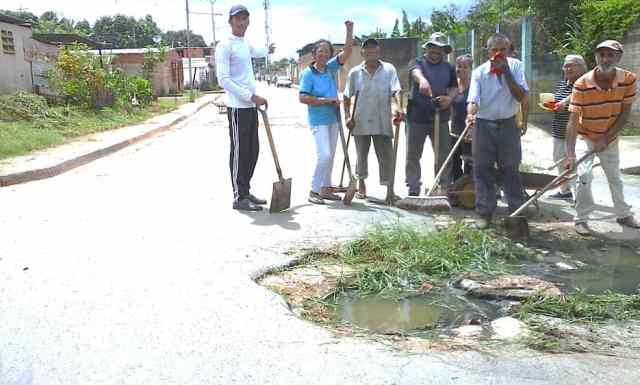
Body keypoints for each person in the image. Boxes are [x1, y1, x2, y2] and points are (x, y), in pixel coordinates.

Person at [565, 40, 639, 235]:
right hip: (585, 135)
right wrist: (570, 154)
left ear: (618, 57)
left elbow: (624, 115)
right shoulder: (582, 84)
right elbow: (573, 121)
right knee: (584, 176)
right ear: (595, 57)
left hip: (610, 136)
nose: (605, 59)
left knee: (614, 177)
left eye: (610, 55)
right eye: (601, 55)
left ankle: (623, 214)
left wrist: (606, 138)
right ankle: (581, 219)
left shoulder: (629, 79)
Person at [215, 4, 275, 211]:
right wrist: (251, 96)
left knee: (252, 151)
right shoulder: (225, 45)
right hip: (238, 108)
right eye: (238, 19)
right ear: (230, 21)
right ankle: (238, 197)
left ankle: (246, 191)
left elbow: (254, 51)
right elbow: (223, 80)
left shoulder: (243, 43)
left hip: (250, 107)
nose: (242, 23)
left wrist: (268, 50)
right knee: (240, 152)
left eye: (245, 19)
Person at [466, 33, 529, 229]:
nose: (499, 54)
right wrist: (470, 114)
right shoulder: (479, 72)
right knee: (482, 168)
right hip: (484, 125)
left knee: (510, 168)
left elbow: (521, 96)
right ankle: (484, 213)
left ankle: (516, 213)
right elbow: (473, 99)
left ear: (509, 50)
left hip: (509, 124)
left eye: (503, 49)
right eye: (495, 50)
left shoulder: (516, 66)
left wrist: (507, 73)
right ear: (488, 52)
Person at [299, 21, 354, 205]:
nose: (323, 53)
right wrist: (326, 101)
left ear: (330, 54)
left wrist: (349, 30)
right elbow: (303, 97)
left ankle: (326, 188)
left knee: (332, 154)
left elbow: (347, 51)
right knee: (325, 155)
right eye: (319, 51)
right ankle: (314, 190)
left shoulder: (330, 68)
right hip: (318, 120)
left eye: (326, 51)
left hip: (333, 119)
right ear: (314, 54)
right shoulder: (308, 74)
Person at [343, 38, 403, 201]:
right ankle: (361, 186)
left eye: (374, 50)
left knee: (386, 157)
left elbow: (396, 90)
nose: (370, 52)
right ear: (362, 53)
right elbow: (347, 96)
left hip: (382, 120)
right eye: (367, 50)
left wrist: (398, 106)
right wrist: (347, 117)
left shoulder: (389, 69)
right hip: (360, 121)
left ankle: (390, 191)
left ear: (379, 52)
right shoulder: (355, 72)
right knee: (361, 156)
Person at [405, 32, 458, 196]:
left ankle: (441, 187)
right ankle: (413, 187)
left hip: (440, 117)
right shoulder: (417, 62)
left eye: (439, 51)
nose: (435, 53)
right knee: (413, 155)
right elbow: (415, 72)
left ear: (443, 51)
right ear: (427, 49)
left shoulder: (448, 67)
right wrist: (422, 80)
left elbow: (454, 88)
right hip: (416, 117)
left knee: (443, 154)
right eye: (432, 50)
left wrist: (449, 98)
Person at [546, 54, 587, 200]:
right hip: (558, 130)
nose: (568, 68)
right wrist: (553, 106)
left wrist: (566, 104)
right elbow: (558, 102)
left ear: (582, 68)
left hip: (576, 132)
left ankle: (579, 197)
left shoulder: (585, 84)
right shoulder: (562, 83)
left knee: (574, 165)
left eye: (572, 65)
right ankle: (565, 191)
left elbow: (582, 103)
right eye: (566, 65)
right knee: (558, 160)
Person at [450, 54, 474, 183]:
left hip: (470, 131)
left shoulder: (475, 86)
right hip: (454, 131)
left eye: (465, 67)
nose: (461, 70)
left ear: (471, 69)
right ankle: (457, 191)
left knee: (470, 162)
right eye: (459, 66)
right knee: (454, 162)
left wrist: (472, 129)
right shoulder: (453, 86)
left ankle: (469, 191)